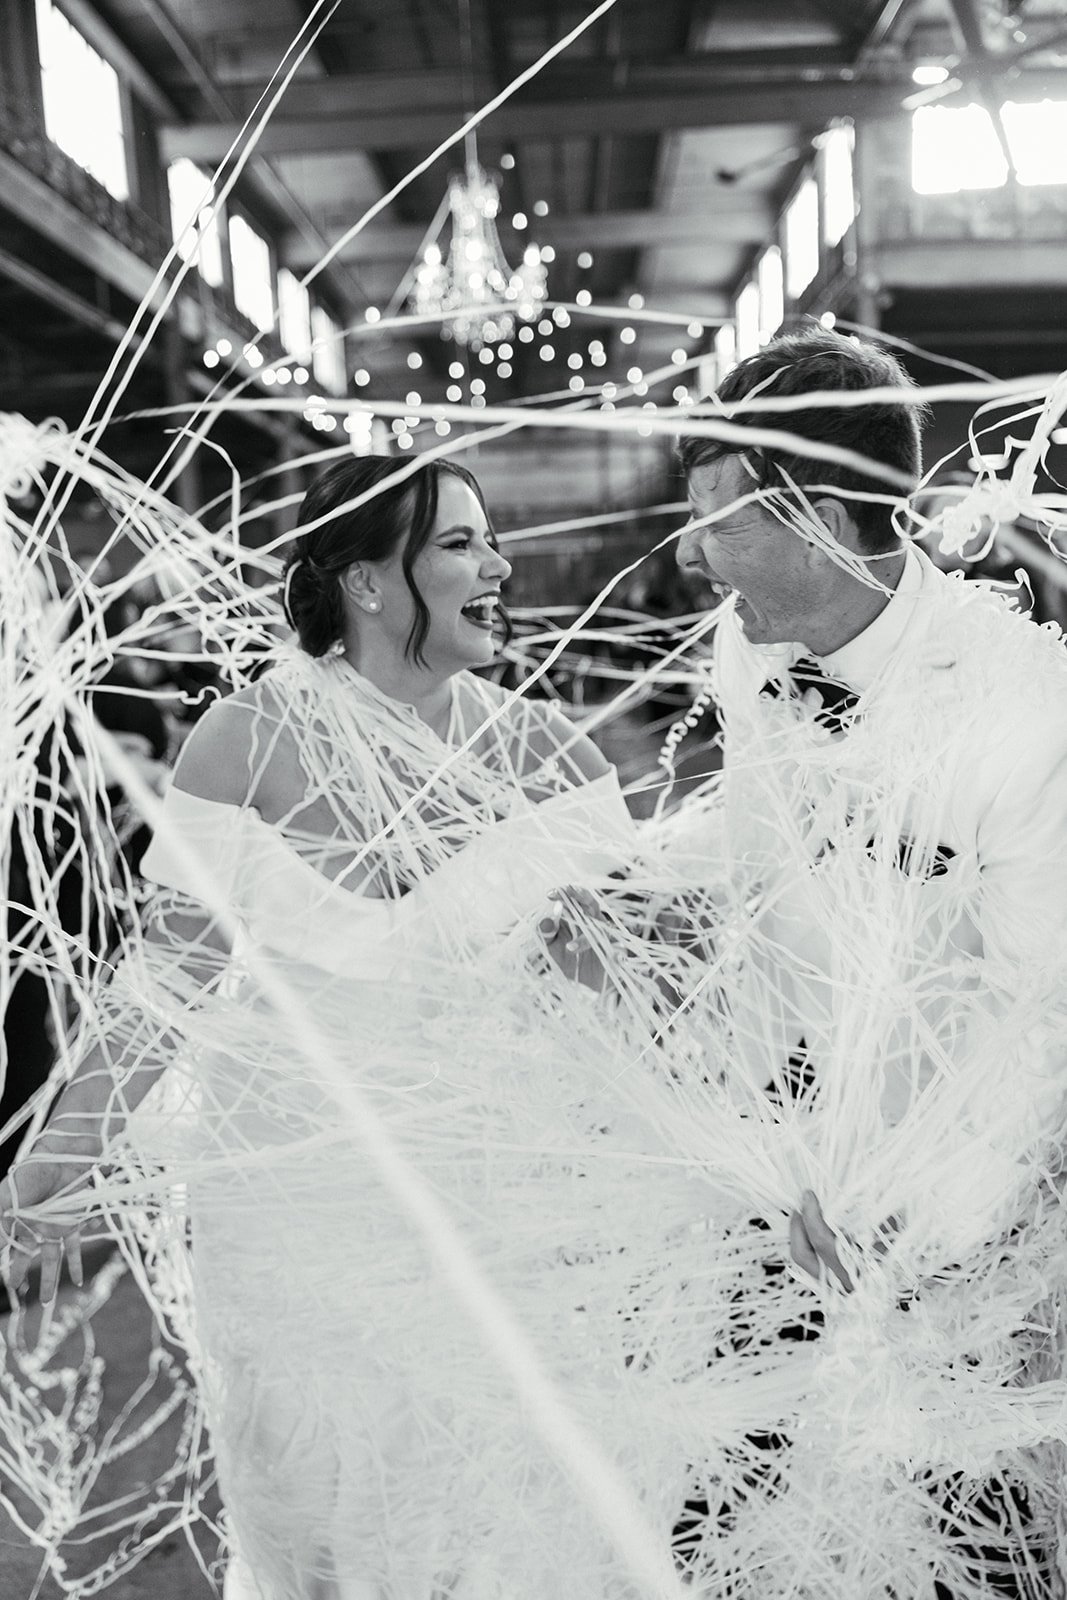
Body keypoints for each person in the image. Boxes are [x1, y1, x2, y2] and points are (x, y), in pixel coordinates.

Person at [0, 454, 732, 1599]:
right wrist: (48, 1168)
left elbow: (633, 1002)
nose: (498, 565)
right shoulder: (242, 744)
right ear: (367, 583)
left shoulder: (550, 755)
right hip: (294, 1226)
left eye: (491, 539)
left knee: (493, 1527)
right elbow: (165, 987)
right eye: (458, 543)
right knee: (328, 1534)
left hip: (503, 1214)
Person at [665, 327, 1067, 1596]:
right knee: (717, 1519)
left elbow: (1035, 1009)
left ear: (823, 518)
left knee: (968, 1535)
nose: (689, 553)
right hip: (774, 1165)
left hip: (964, 1212)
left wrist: (903, 1200)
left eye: (718, 523)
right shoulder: (747, 648)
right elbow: (758, 878)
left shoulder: (1019, 704)